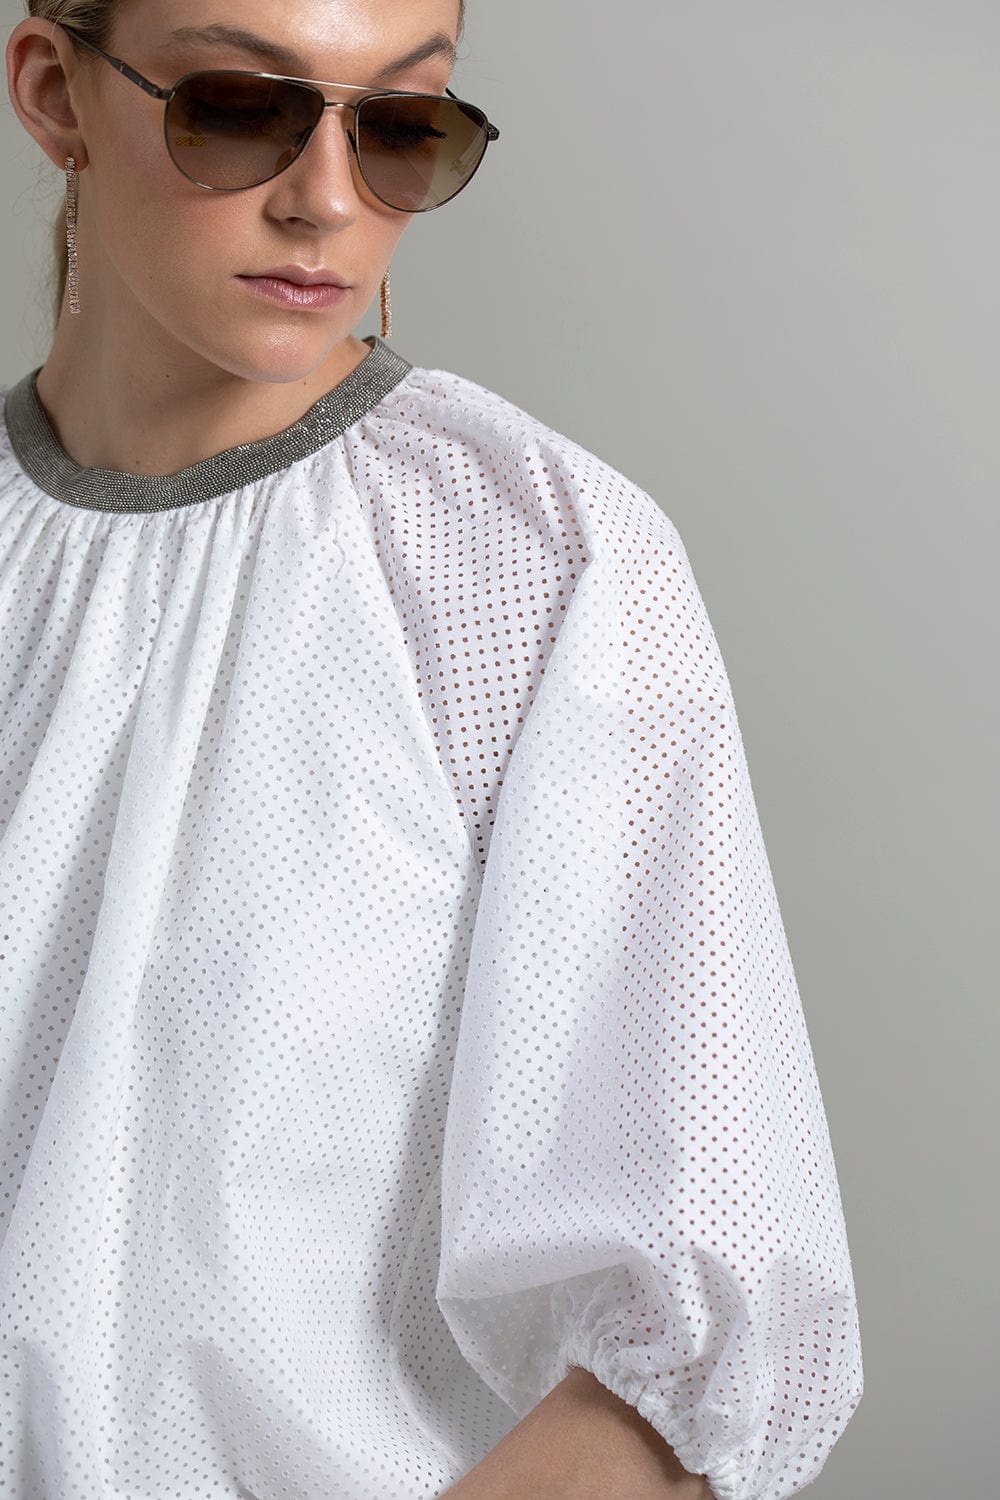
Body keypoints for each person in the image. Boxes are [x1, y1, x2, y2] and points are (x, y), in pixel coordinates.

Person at [0, 2, 864, 1497]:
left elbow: (689, 1357)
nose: (326, 199)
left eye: (403, 128)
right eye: (237, 106)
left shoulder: (524, 556)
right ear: (54, 91)